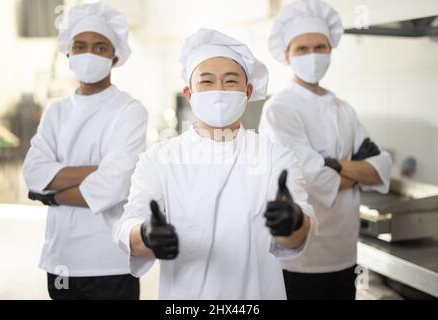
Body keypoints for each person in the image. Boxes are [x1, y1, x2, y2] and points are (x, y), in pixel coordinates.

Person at [113, 28, 317, 299]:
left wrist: (293, 222)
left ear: (247, 91)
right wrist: (147, 236)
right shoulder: (159, 159)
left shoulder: (275, 157)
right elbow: (128, 226)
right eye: (207, 82)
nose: (219, 91)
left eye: (230, 81)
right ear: (189, 94)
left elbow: (297, 235)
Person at [259, 0, 393, 300]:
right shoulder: (279, 109)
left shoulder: (343, 109)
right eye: (303, 49)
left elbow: (381, 165)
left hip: (344, 251)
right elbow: (307, 178)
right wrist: (356, 170)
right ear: (286, 55)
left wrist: (331, 164)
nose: (313, 56)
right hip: (299, 256)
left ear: (331, 50)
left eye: (320, 47)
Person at [23, 2, 148, 300]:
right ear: (68, 53)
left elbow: (114, 185)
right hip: (62, 257)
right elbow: (32, 172)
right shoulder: (56, 111)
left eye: (100, 47)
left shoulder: (129, 110)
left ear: (115, 56)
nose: (89, 54)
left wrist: (52, 195)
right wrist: (94, 171)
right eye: (80, 46)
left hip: (110, 260)